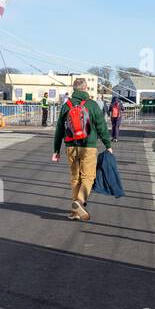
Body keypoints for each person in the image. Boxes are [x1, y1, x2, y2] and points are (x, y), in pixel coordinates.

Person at [52, 81, 111, 221]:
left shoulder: (67, 106)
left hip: (70, 146)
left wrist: (56, 149)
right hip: (88, 146)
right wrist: (108, 144)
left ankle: (76, 211)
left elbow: (59, 129)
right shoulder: (92, 105)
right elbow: (101, 126)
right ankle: (79, 201)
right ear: (85, 89)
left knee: (75, 178)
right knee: (88, 177)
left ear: (74, 89)